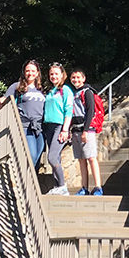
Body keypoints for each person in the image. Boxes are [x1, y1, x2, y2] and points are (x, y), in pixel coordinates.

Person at [0, 60, 45, 167]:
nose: (30, 73)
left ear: (37, 73)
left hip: (40, 127)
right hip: (25, 126)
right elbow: (6, 99)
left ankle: (33, 182)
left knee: (38, 158)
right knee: (31, 155)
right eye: (27, 71)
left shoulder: (42, 89)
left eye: (33, 71)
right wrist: (1, 100)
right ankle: (26, 182)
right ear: (24, 72)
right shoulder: (17, 86)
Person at [69, 67, 103, 196]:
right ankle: (84, 187)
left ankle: (98, 186)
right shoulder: (73, 93)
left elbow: (90, 111)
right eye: (73, 77)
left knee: (91, 157)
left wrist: (86, 130)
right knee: (81, 159)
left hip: (86, 129)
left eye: (78, 77)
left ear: (83, 78)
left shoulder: (87, 92)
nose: (76, 80)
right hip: (76, 129)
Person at [43, 62, 74, 195]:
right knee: (56, 158)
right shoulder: (50, 91)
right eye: (51, 74)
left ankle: (62, 186)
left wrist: (65, 130)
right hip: (48, 126)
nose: (54, 76)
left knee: (52, 157)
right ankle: (57, 186)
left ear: (62, 75)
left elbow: (69, 110)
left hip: (59, 126)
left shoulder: (65, 90)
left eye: (56, 73)